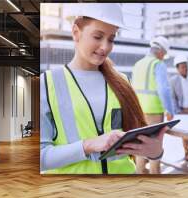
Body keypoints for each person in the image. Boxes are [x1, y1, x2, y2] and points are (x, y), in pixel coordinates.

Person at [40, 3, 166, 174]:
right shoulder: (48, 83)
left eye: (111, 39)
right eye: (98, 37)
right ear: (76, 33)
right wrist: (88, 145)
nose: (105, 47)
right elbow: (40, 158)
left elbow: (134, 144)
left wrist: (155, 152)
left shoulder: (121, 81)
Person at [131, 35, 175, 174]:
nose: (164, 57)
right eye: (164, 54)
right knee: (155, 149)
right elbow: (163, 89)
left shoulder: (138, 64)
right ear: (161, 51)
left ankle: (139, 178)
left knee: (139, 146)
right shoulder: (158, 64)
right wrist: (169, 109)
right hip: (154, 111)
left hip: (138, 110)